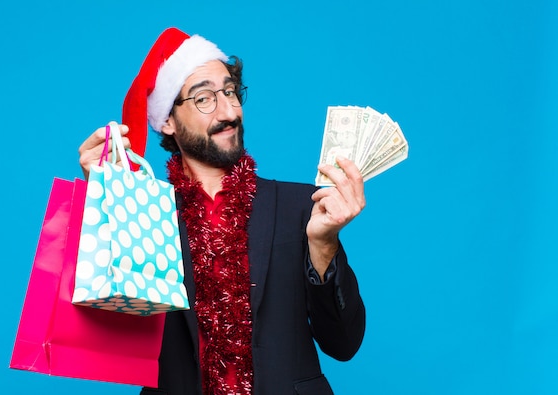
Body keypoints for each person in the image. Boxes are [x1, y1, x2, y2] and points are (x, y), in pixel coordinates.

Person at [78, 27, 366, 395]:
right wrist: (108, 203)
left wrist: (323, 245)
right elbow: (110, 337)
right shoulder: (145, 217)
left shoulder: (303, 207)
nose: (228, 111)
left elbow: (343, 344)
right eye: (204, 98)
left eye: (230, 92)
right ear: (168, 120)